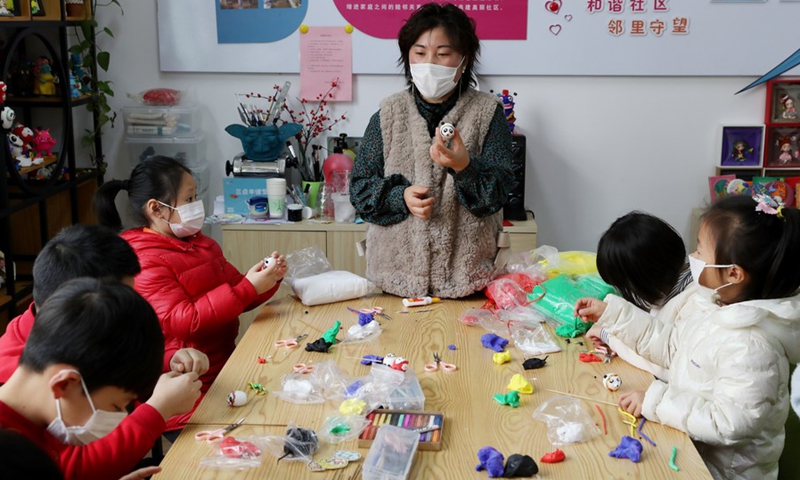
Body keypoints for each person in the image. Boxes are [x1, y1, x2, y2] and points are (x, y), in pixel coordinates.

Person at [575, 195, 800, 480]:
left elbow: (728, 423)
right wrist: (613, 315)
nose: (692, 259)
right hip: (692, 450)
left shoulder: (752, 345)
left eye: (700, 251)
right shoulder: (715, 305)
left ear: (733, 274)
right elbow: (671, 346)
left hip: (722, 471)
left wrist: (654, 402)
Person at [93, 155, 287, 433]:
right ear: (156, 209)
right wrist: (249, 287)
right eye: (188, 199)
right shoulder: (143, 259)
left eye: (196, 196)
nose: (197, 206)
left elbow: (238, 294)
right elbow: (184, 319)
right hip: (186, 388)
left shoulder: (201, 244)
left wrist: (268, 279)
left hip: (224, 368)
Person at [349, 2, 514, 299]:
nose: (430, 63)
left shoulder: (488, 114)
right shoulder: (387, 114)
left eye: (443, 53)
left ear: (464, 60)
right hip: (395, 282)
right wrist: (400, 196)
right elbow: (360, 189)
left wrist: (465, 167)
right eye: (420, 52)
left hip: (470, 282)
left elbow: (500, 191)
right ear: (407, 57)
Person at [0, 278, 201, 480]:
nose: (120, 417)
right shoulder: (9, 450)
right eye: (115, 406)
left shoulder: (42, 420)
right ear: (65, 384)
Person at [0, 224, 209, 385]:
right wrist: (156, 409)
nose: (127, 314)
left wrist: (168, 359)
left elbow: (123, 358)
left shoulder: (81, 333)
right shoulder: (22, 379)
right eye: (119, 303)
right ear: (78, 302)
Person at [594, 211, 692, 379]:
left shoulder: (694, 302)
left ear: (644, 279)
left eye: (625, 287)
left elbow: (661, 361)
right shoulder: (669, 288)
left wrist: (610, 336)